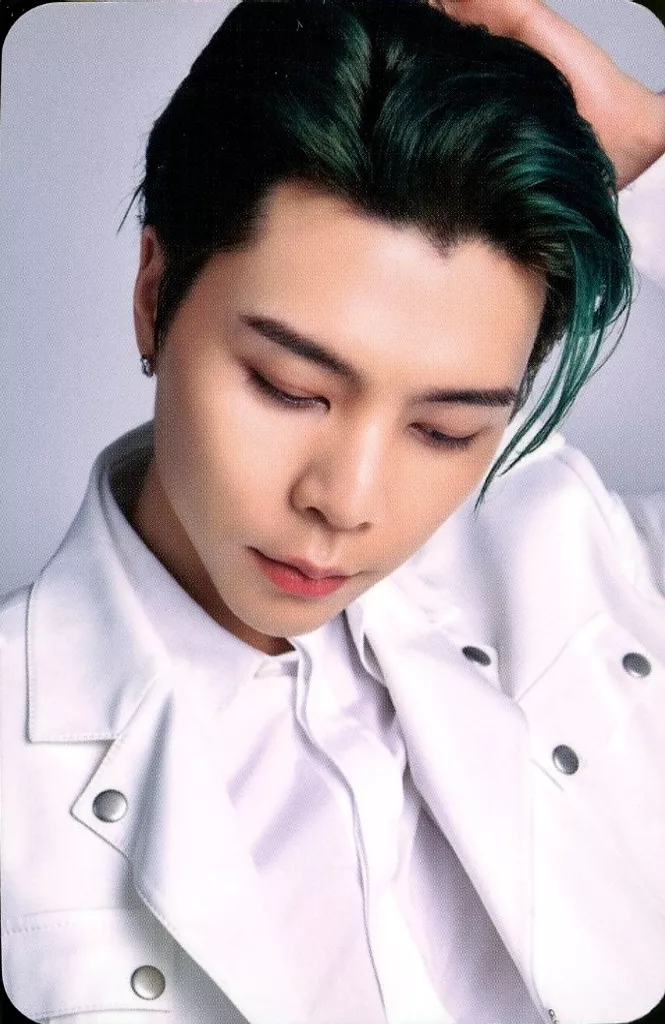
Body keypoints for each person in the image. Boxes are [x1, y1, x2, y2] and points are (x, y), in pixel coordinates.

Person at [1, 0, 664, 1022]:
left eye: (444, 430)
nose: (346, 502)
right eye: (288, 388)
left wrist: (650, 153)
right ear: (154, 292)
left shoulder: (578, 556)